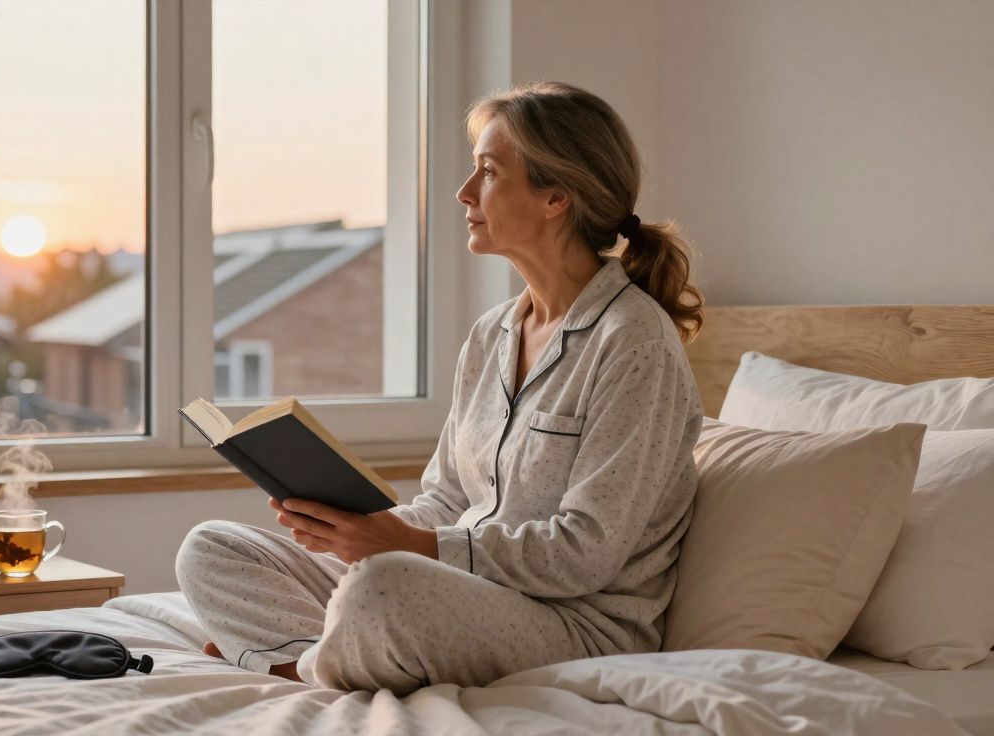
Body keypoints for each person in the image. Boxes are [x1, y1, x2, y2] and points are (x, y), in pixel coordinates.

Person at [176, 81, 705, 696]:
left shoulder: (634, 341)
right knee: (211, 548)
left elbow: (586, 552)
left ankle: (289, 665)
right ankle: (321, 652)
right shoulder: (492, 335)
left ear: (556, 196)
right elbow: (448, 500)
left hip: (574, 622)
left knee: (383, 588)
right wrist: (361, 529)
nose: (463, 193)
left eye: (486, 172)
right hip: (460, 589)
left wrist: (412, 548)